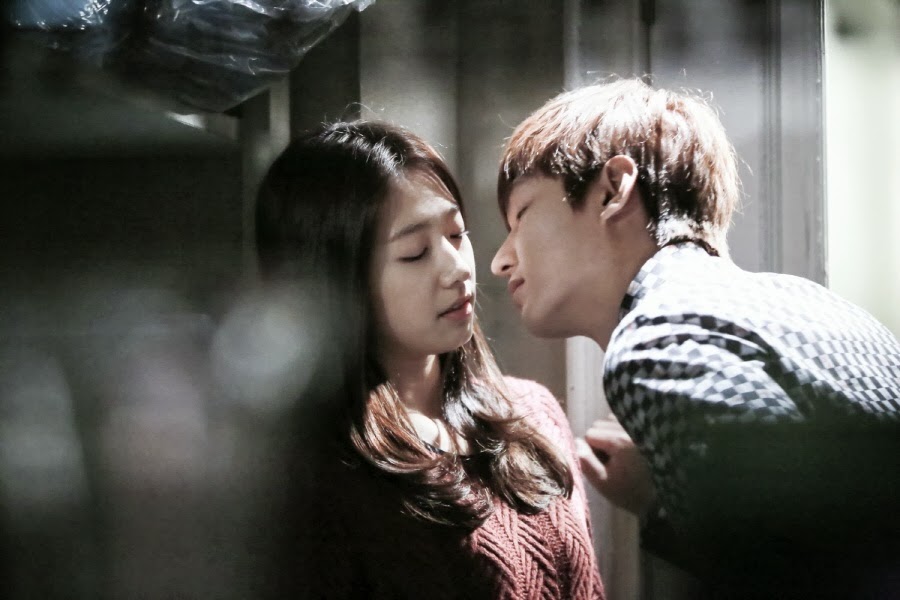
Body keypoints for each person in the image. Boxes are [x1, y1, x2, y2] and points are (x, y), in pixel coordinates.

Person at [489, 78, 900, 598]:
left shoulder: (652, 344)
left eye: (521, 216)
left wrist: (662, 511)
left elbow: (785, 576)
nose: (500, 260)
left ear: (613, 189)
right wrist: (662, 499)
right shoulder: (810, 301)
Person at [253, 120, 605, 599]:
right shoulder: (317, 475)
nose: (458, 269)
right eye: (415, 253)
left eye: (457, 234)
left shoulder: (533, 412)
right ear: (337, 279)